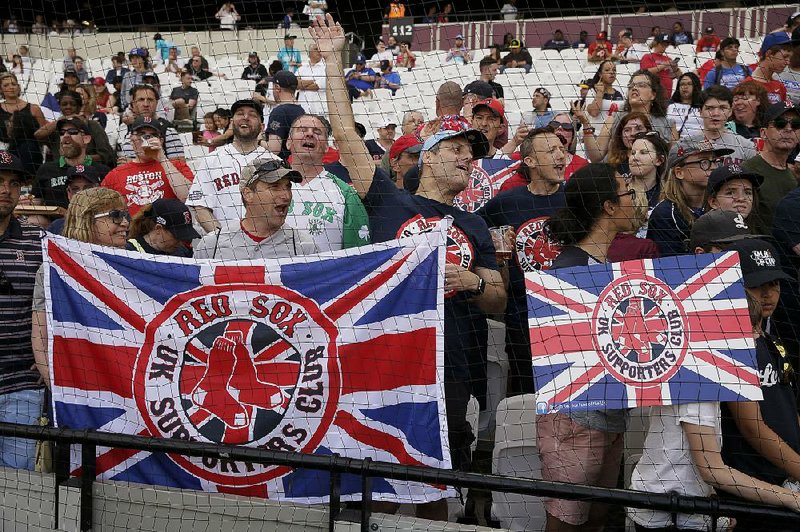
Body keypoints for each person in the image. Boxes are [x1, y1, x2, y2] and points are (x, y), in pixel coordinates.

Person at [317, 16, 504, 518]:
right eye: (458, 149)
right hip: (386, 357)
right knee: (366, 464)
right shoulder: (388, 202)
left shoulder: (476, 224)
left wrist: (472, 281)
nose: (470, 160)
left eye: (474, 153)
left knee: (439, 474)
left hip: (454, 360)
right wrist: (335, 61)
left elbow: (500, 296)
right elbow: (343, 131)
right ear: (427, 156)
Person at [538, 163, 638, 531]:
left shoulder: (601, 264)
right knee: (566, 522)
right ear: (609, 208)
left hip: (606, 417)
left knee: (597, 516)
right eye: (627, 193)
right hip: (574, 419)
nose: (635, 199)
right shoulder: (571, 269)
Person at [718, 238, 800, 531]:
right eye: (756, 285)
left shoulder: (768, 335)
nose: (768, 294)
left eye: (774, 284)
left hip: (784, 477)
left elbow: (787, 408)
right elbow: (751, 426)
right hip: (756, 489)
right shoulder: (731, 344)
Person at [478, 126, 566, 395]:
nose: (561, 155)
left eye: (562, 149)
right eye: (551, 150)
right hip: (521, 317)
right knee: (525, 395)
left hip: (567, 315)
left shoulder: (576, 200)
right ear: (530, 162)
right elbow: (475, 230)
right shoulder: (506, 202)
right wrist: (495, 248)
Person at [31, 188, 130, 387]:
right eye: (115, 216)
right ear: (86, 220)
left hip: (127, 380)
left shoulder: (136, 263)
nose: (125, 223)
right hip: (78, 383)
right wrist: (59, 390)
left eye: (126, 215)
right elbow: (40, 338)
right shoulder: (53, 270)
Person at [0, 150, 45, 471]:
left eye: (14, 183)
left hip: (22, 385)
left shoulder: (39, 241)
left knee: (19, 489)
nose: (6, 190)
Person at [187, 99, 280, 232]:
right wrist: (224, 240)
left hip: (267, 243)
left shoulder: (274, 162)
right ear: (231, 123)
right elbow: (201, 208)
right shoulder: (211, 160)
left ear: (262, 127)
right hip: (223, 245)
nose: (246, 117)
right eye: (240, 113)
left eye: (252, 115)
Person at [195, 159, 317, 260]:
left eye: (288, 187)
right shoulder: (211, 245)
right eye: (274, 187)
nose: (286, 195)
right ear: (248, 194)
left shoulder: (303, 246)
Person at [284, 112, 371, 252]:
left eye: (317, 132)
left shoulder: (346, 194)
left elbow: (358, 255)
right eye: (302, 130)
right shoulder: (269, 186)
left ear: (326, 147)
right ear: (288, 142)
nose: (310, 134)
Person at [647, 137, 732, 256]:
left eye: (714, 161)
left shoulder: (721, 204)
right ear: (679, 172)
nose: (713, 167)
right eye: (704, 162)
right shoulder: (665, 214)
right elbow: (670, 265)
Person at [101, 116, 193, 216]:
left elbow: (187, 197)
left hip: (169, 227)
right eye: (141, 134)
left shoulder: (176, 166)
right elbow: (101, 208)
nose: (146, 139)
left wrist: (162, 159)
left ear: (161, 141)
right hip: (132, 229)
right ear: (132, 139)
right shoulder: (115, 174)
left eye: (153, 135)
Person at [582, 70, 677, 164]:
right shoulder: (615, 118)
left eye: (641, 85)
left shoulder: (668, 125)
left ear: (653, 95)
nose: (634, 88)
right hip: (613, 174)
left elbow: (674, 161)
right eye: (631, 86)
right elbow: (595, 156)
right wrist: (585, 124)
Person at [743, 102, 800, 235]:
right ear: (763, 132)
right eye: (780, 123)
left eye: (796, 125)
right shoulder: (747, 171)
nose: (789, 129)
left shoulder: (795, 177)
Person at [32, 117, 111, 208]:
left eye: (72, 131)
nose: (65, 135)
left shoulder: (103, 171)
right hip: (56, 221)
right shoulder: (46, 169)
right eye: (62, 133)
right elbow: (36, 203)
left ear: (86, 139)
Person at [34, 91, 114, 168]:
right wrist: (60, 120)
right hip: (61, 171)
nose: (68, 107)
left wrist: (78, 160)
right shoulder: (55, 129)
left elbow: (106, 155)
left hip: (90, 169)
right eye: (64, 104)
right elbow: (37, 135)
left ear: (79, 107)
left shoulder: (92, 125)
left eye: (72, 104)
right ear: (60, 107)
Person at [689, 85, 757, 165]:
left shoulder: (746, 147)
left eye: (722, 108)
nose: (716, 113)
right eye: (710, 108)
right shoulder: (687, 145)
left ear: (730, 112)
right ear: (700, 112)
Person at [117, 84, 183, 163]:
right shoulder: (126, 128)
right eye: (141, 100)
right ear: (133, 104)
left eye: (150, 100)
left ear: (156, 103)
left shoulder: (168, 130)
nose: (146, 104)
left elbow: (180, 166)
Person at [0, 73, 46, 176]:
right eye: (6, 85)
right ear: (1, 90)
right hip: (4, 153)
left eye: (13, 84)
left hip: (32, 153)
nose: (11, 87)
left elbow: (44, 133)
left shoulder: (34, 108)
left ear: (18, 86)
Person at [126, 198, 199, 256]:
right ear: (158, 229)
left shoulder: (183, 253)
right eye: (177, 236)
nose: (180, 242)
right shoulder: (130, 252)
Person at [265, 71, 306, 161]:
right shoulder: (301, 110)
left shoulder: (279, 112)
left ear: (277, 87)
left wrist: (259, 141)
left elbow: (274, 148)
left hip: (283, 166)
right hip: (298, 163)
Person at [745, 32, 796, 104]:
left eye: (790, 58)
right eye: (785, 57)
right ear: (769, 54)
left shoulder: (780, 86)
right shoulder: (746, 86)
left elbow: (786, 112)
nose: (788, 62)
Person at [628, 131, 670, 209]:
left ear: (659, 160)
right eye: (633, 153)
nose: (635, 158)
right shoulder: (620, 190)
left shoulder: (670, 194)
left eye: (644, 152)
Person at [640, 34, 681, 100]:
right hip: (653, 95)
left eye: (666, 45)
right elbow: (645, 72)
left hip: (667, 96)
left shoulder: (668, 58)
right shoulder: (647, 56)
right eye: (663, 44)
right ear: (656, 43)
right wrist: (664, 65)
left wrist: (675, 68)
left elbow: (679, 77)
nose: (665, 47)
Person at [585, 60, 625, 129]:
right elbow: (594, 112)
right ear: (600, 74)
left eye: (614, 70)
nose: (612, 72)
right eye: (607, 70)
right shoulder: (593, 91)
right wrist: (600, 92)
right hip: (596, 134)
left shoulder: (620, 93)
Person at [667, 72, 704, 138]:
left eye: (689, 84)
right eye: (682, 84)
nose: (685, 87)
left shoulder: (704, 106)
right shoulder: (669, 106)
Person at [296, 44, 327, 117]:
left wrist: (302, 85)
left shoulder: (326, 68)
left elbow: (317, 86)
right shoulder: (302, 68)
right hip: (303, 108)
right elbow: (295, 84)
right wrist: (313, 80)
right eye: (316, 49)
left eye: (320, 50)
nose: (319, 51)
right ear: (309, 52)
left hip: (319, 109)